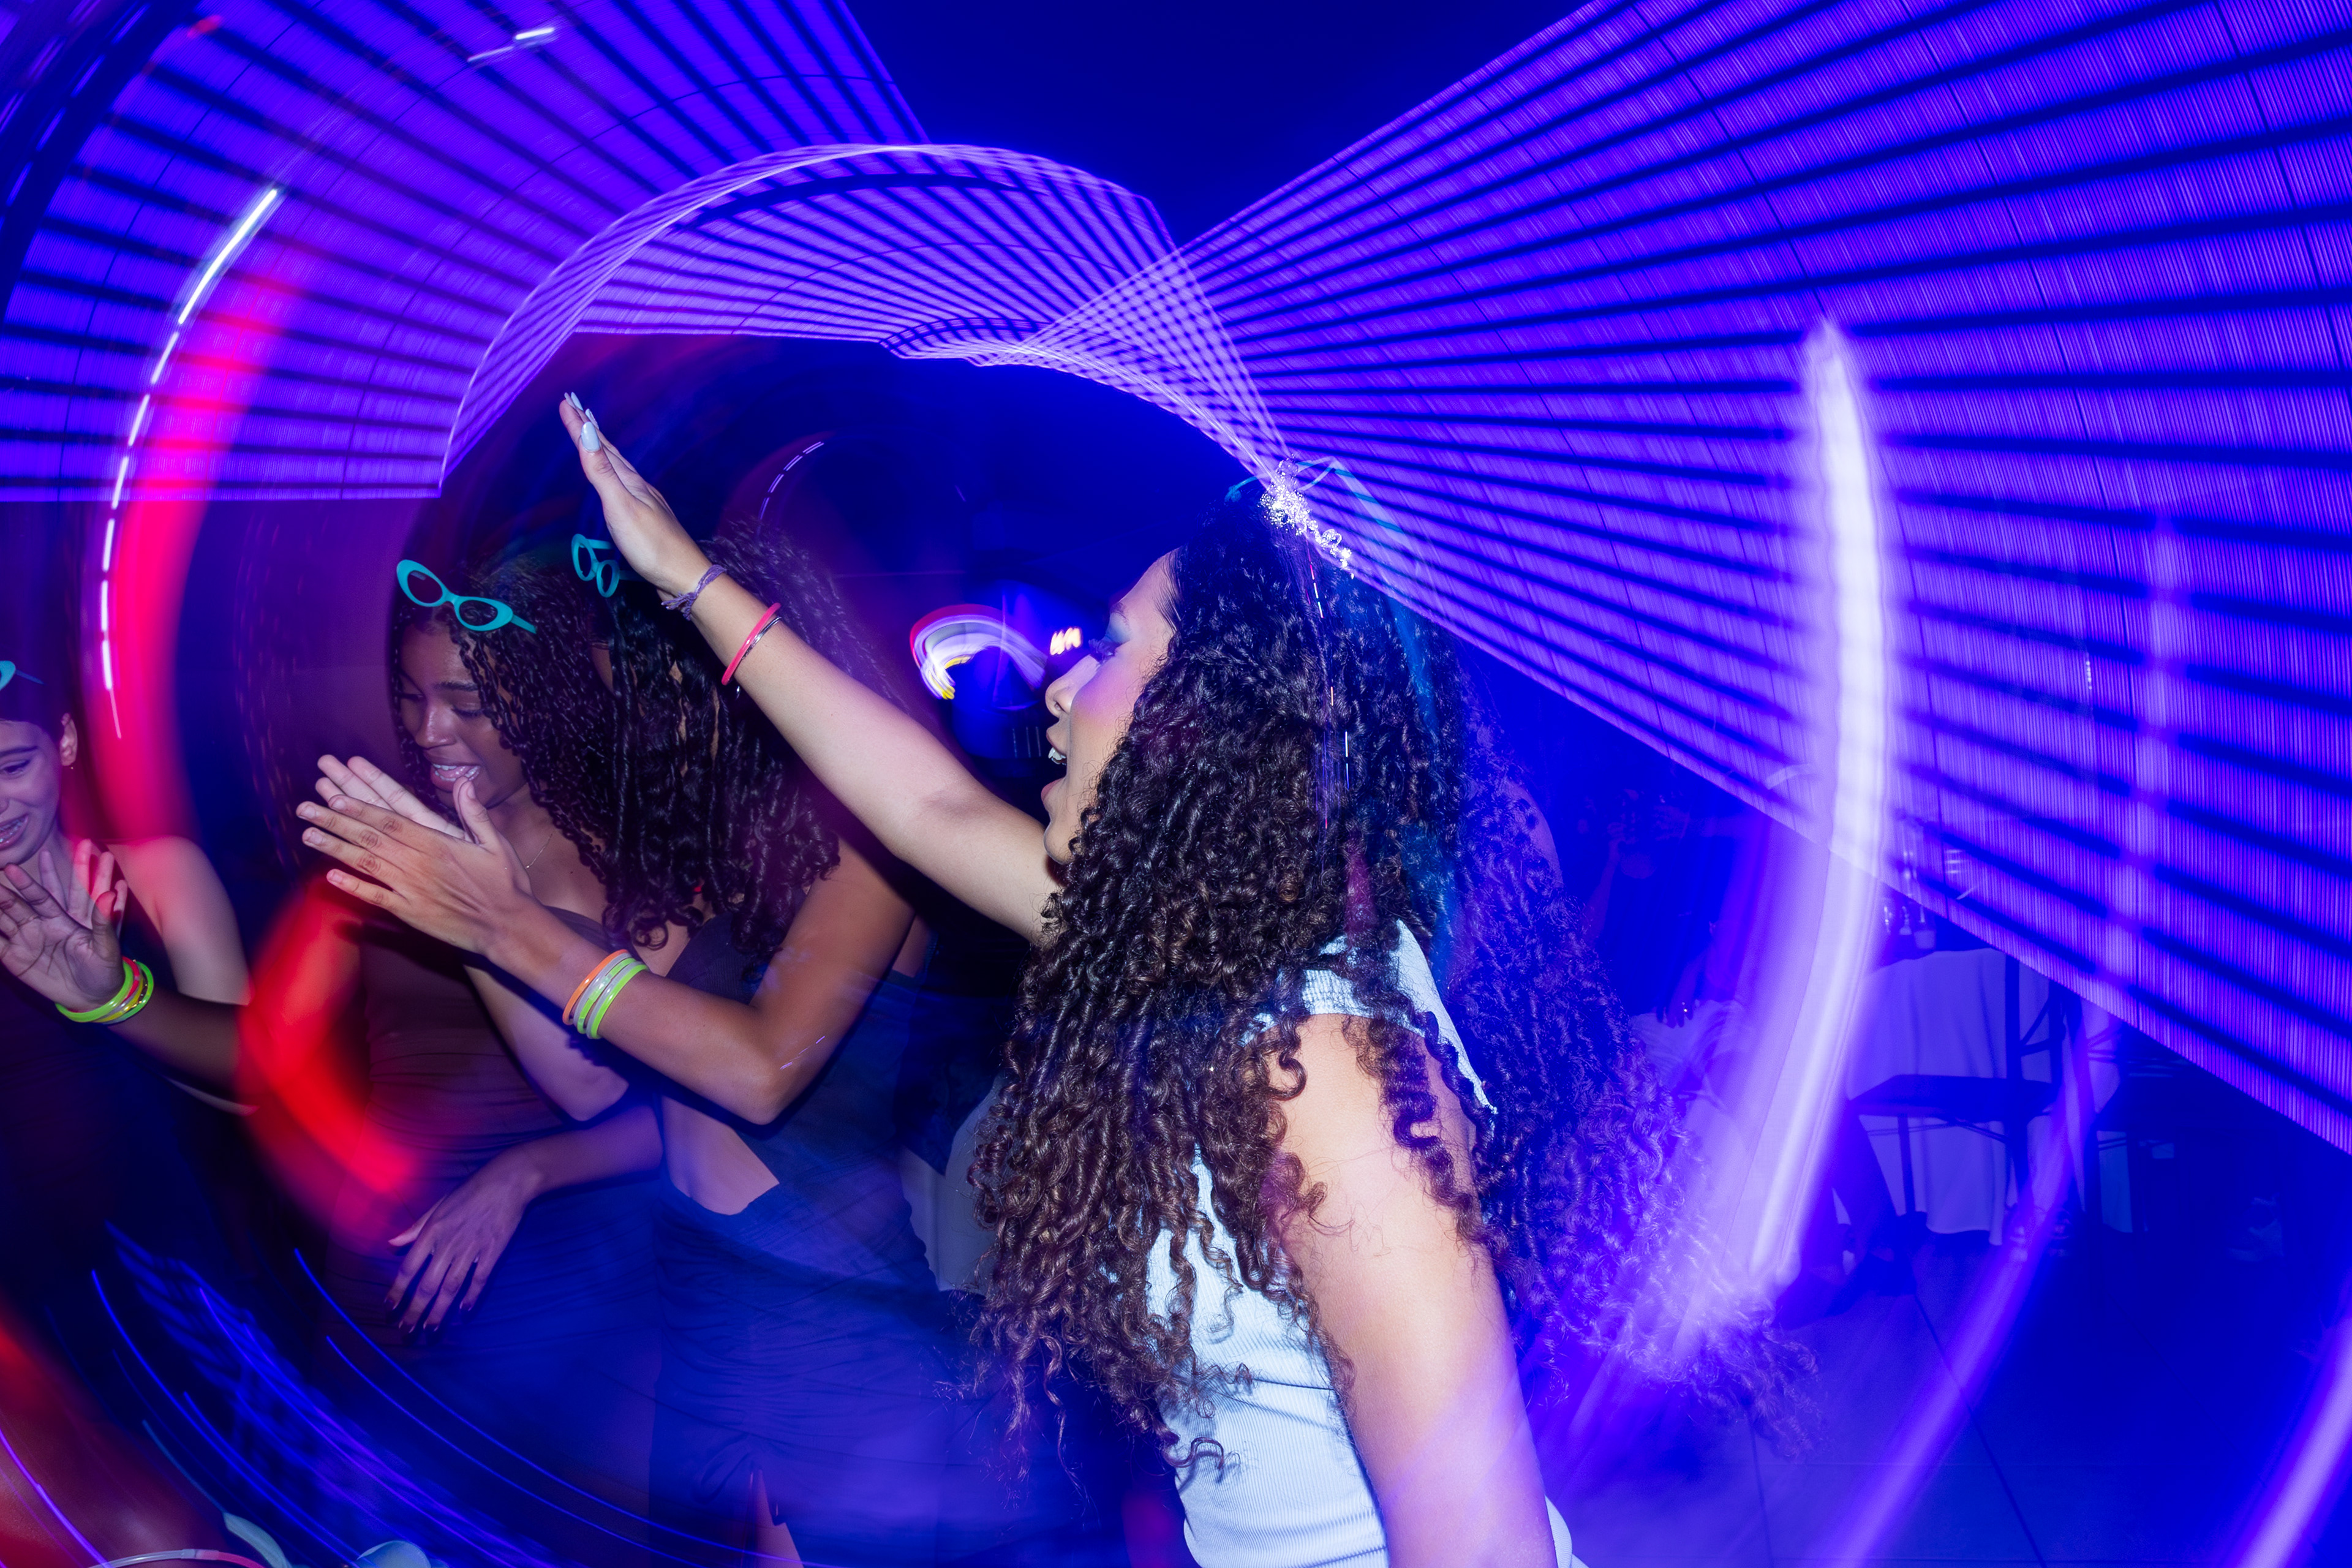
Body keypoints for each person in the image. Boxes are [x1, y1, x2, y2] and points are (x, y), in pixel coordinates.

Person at [306, 404, 1807, 1566]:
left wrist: (502, 927)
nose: (1063, 687)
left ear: (1200, 727)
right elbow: (926, 807)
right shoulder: (1208, 945)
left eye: (1112, 652)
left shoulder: (1325, 1074)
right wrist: (686, 578)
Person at [301, 522, 966, 1567]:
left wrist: (501, 925)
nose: (633, 723)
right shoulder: (719, 847)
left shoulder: (868, 841)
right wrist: (470, 904)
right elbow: (592, 1071)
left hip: (822, 1297)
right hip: (702, 1286)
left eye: (652, 692)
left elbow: (758, 1071)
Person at [0, 566, 665, 1528]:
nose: (430, 732)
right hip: (390, 1282)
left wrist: (527, 1170)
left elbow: (678, 1106)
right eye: (411, 697)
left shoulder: (640, 852)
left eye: (466, 704)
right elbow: (263, 1058)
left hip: (576, 1285)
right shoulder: (378, 846)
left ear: (549, 696)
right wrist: (113, 999)